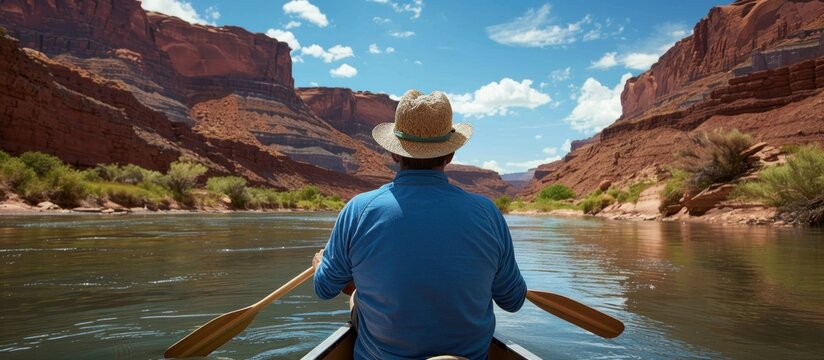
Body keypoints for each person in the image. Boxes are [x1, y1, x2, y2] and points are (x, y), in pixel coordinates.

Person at [312, 90, 527, 360]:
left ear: (394, 153)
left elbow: (325, 289)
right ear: (450, 154)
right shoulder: (488, 213)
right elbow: (513, 300)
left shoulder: (358, 209)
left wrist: (320, 265)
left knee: (357, 300)